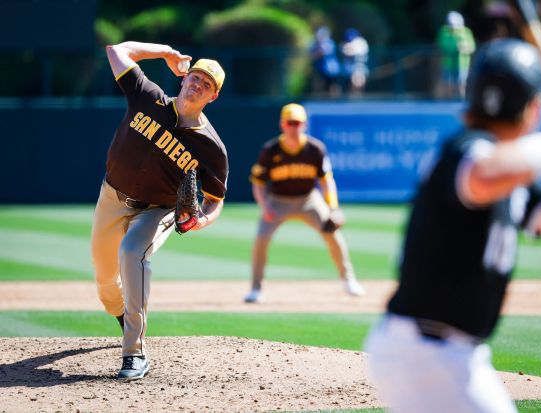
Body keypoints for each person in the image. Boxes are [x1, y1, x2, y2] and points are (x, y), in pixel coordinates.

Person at [365, 39, 541, 412]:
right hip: (429, 351)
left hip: (445, 353)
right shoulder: (465, 151)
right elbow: (482, 176)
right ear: (532, 108)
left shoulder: (508, 174)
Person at [93, 41, 228, 380]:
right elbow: (115, 51)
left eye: (206, 84)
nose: (197, 84)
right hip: (112, 197)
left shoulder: (211, 147)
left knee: (132, 253)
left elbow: (215, 199)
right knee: (106, 282)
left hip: (158, 209)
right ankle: (124, 316)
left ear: (212, 97)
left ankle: (134, 353)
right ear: (184, 80)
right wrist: (166, 52)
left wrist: (201, 220)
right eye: (195, 77)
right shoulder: (147, 96)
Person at [244, 103, 365, 303]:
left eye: (298, 123)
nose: (294, 128)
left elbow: (326, 181)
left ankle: (349, 280)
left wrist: (333, 208)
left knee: (332, 232)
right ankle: (256, 289)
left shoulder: (315, 149)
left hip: (309, 200)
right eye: (290, 123)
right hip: (278, 201)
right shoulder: (270, 150)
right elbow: (258, 184)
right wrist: (265, 207)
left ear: (305, 125)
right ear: (282, 124)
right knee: (261, 239)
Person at [436, 11, 476, 98]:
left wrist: (464, 48)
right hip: (448, 64)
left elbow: (472, 47)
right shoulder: (443, 32)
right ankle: (448, 103)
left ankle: (462, 100)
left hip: (463, 64)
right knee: (448, 85)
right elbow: (442, 46)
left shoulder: (466, 32)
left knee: (462, 84)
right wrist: (455, 48)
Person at [310, 26, 341, 97]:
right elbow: (312, 55)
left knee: (333, 85)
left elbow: (322, 53)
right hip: (320, 68)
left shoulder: (329, 43)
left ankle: (335, 100)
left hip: (331, 69)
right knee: (319, 83)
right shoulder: (315, 43)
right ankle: (318, 98)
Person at [340, 28, 369, 94]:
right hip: (350, 70)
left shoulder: (361, 42)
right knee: (351, 88)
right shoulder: (347, 43)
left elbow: (349, 53)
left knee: (358, 86)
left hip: (359, 68)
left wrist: (348, 50)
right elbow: (345, 52)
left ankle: (356, 100)